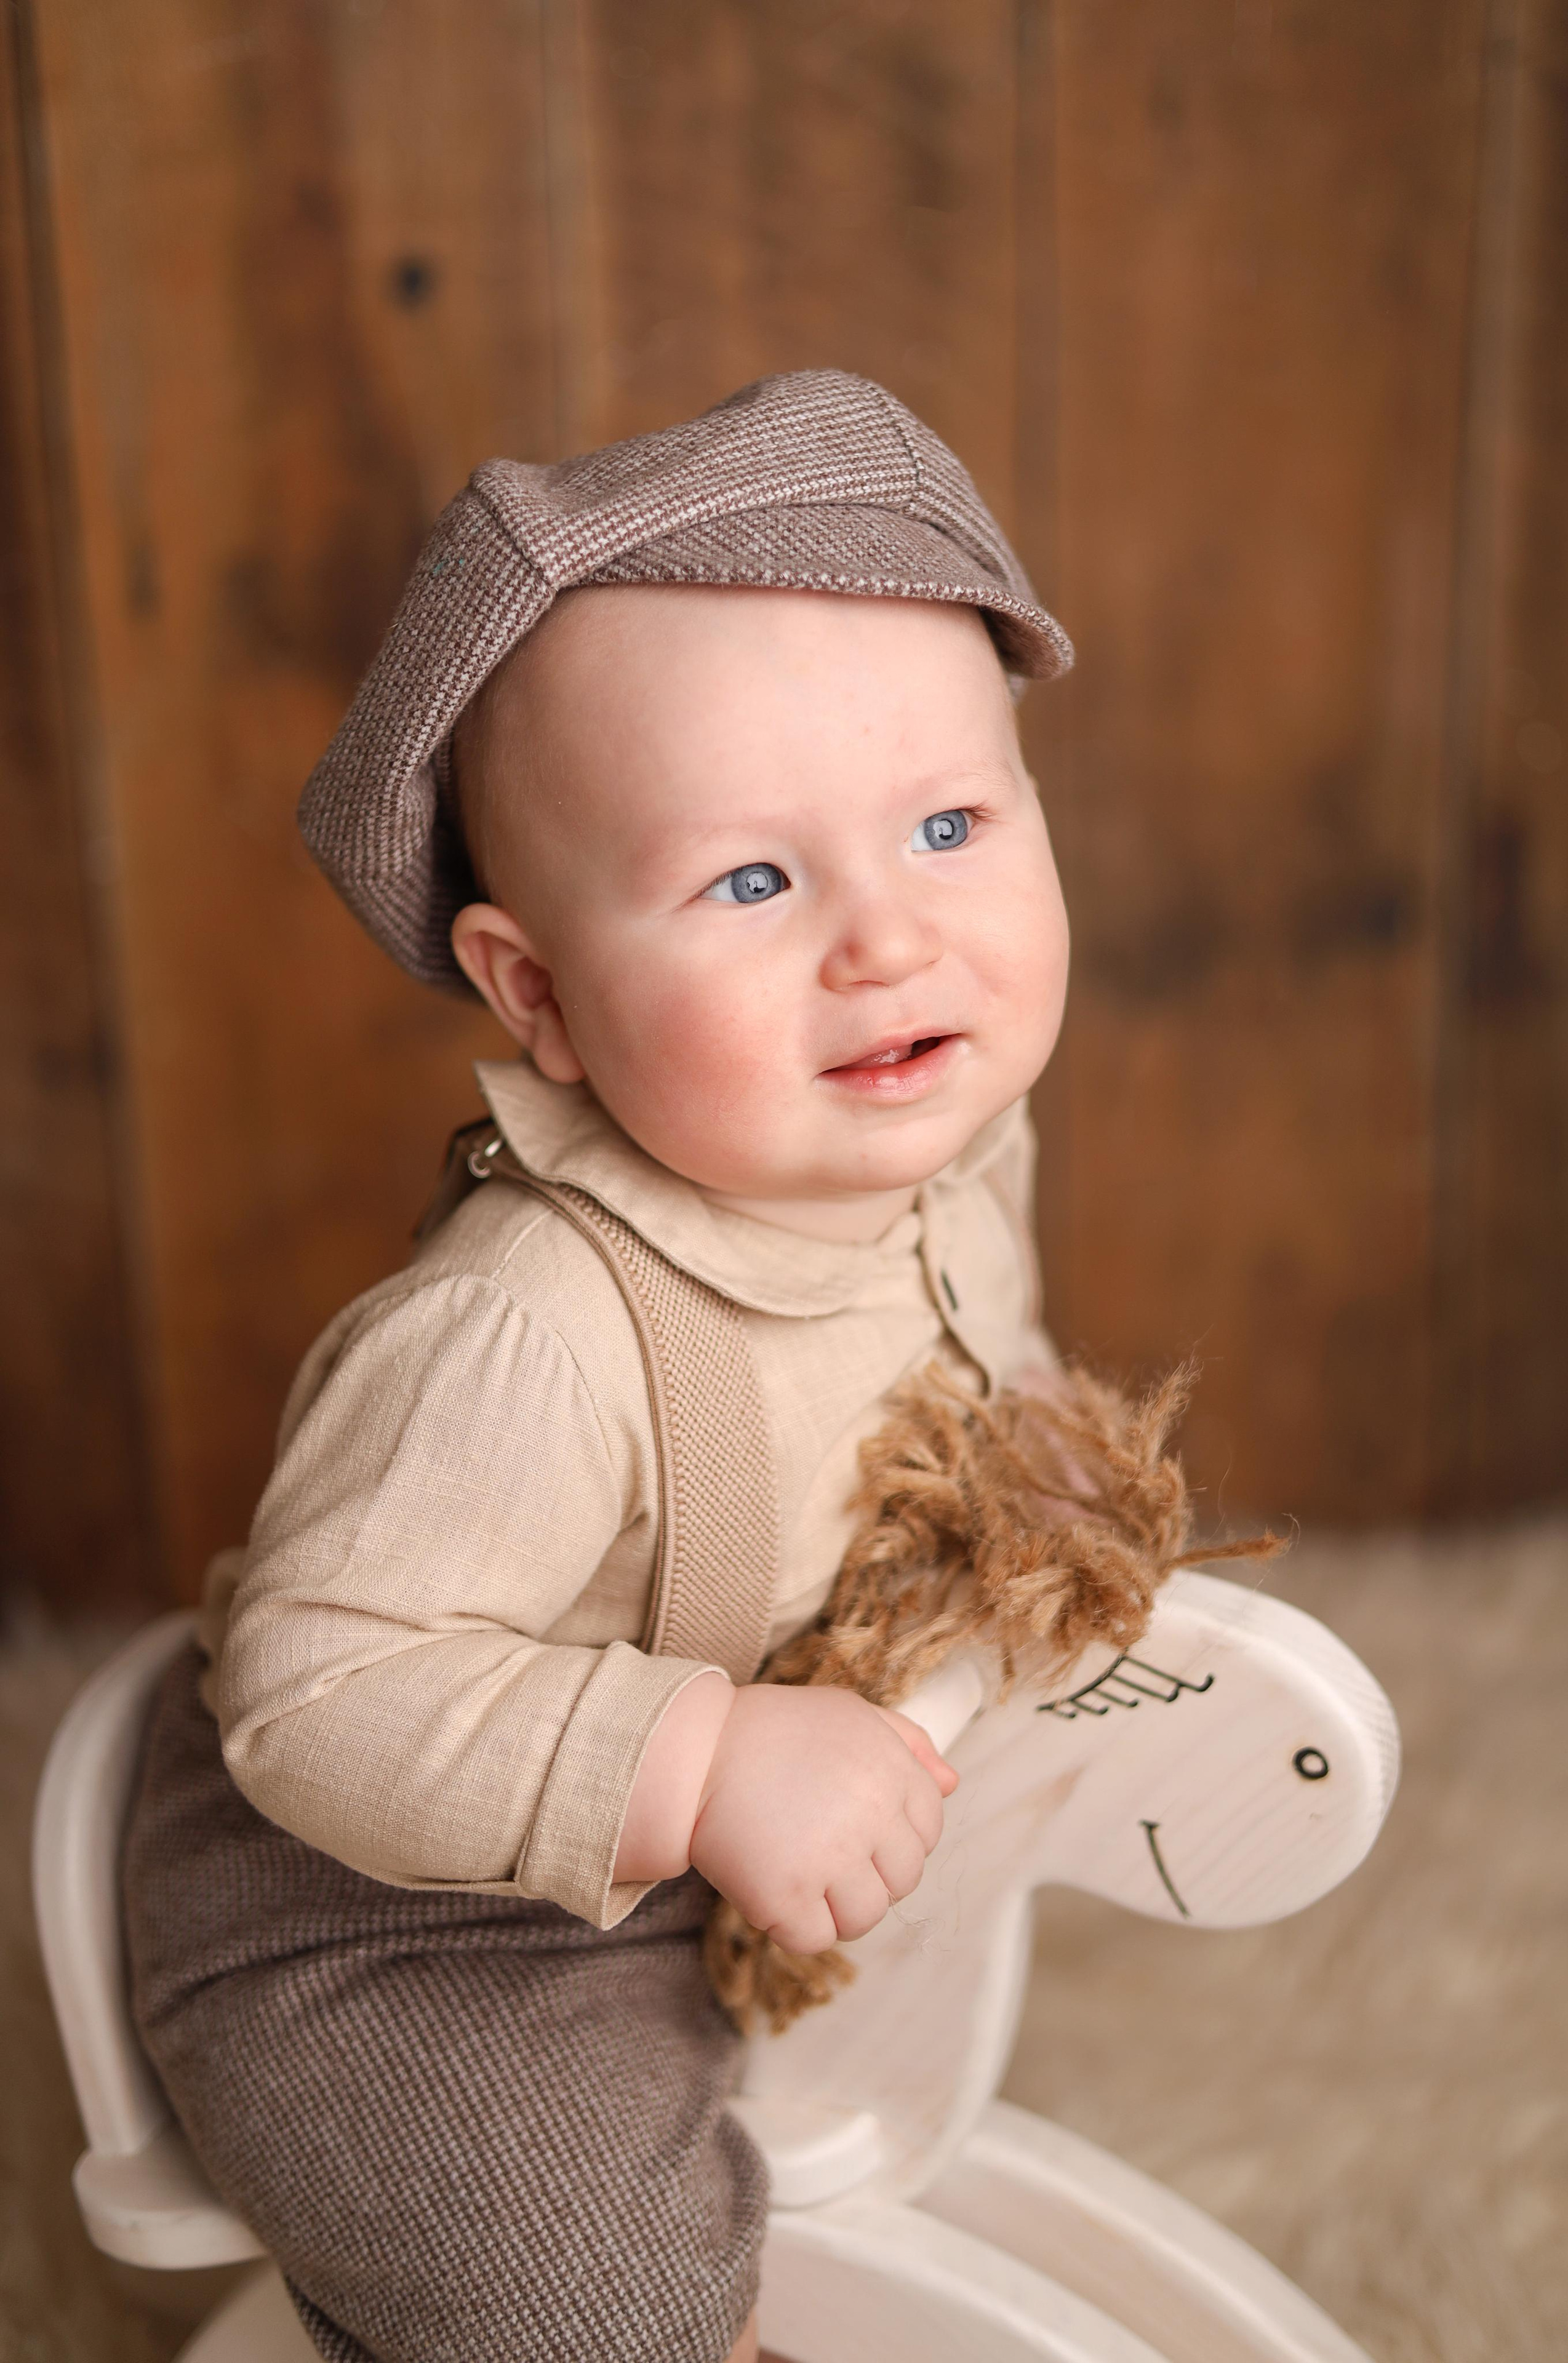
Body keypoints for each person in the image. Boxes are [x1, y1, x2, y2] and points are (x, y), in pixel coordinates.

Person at [122, 369, 1076, 2363]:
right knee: (582, 2290)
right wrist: (706, 1762)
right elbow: (318, 1690)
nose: (889, 942)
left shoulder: (956, 1150)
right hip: (397, 1911)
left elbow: (992, 1378)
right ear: (537, 994)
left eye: (947, 822)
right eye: (754, 880)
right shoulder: (525, 1331)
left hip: (724, 1831)